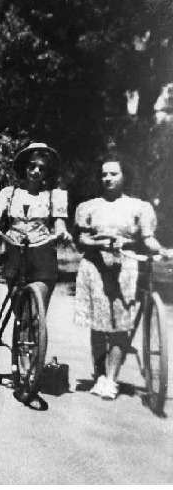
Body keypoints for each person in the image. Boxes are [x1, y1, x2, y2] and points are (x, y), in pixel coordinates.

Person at [74, 157, 168, 400]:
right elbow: (81, 240)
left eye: (113, 174)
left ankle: (112, 379)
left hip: (125, 266)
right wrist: (99, 242)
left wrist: (161, 250)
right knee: (98, 324)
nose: (108, 179)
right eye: (104, 174)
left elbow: (147, 238)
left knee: (119, 325)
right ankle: (99, 376)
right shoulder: (90, 207)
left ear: (124, 176)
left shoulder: (139, 207)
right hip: (95, 267)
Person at [0, 142, 72, 309]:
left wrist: (62, 233)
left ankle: (36, 333)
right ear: (24, 166)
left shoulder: (54, 195)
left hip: (42, 257)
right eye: (32, 165)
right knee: (20, 313)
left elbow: (59, 222)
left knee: (36, 314)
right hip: (14, 255)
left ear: (47, 171)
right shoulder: (9, 192)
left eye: (41, 168)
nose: (35, 171)